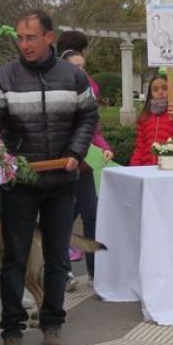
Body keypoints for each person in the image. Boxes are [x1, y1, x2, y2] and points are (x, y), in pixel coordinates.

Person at [0, 10, 98, 345]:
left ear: (49, 37)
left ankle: (52, 323)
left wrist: (76, 151)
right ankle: (11, 331)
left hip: (62, 180)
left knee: (57, 258)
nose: (24, 44)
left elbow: (87, 116)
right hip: (21, 182)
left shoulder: (74, 77)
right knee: (14, 258)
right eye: (19, 37)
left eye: (31, 37)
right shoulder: (4, 77)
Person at [59, 48, 113, 285]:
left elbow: (95, 131)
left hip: (86, 171)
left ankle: (94, 272)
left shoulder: (88, 98)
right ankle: (63, 271)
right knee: (61, 221)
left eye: (83, 66)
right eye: (75, 66)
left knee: (92, 217)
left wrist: (104, 147)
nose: (81, 71)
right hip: (63, 170)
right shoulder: (57, 98)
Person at [129, 74, 173, 166]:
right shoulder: (145, 116)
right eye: (155, 90)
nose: (160, 92)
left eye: (164, 88)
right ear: (151, 94)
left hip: (172, 167)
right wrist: (134, 167)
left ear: (172, 90)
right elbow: (140, 147)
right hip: (147, 167)